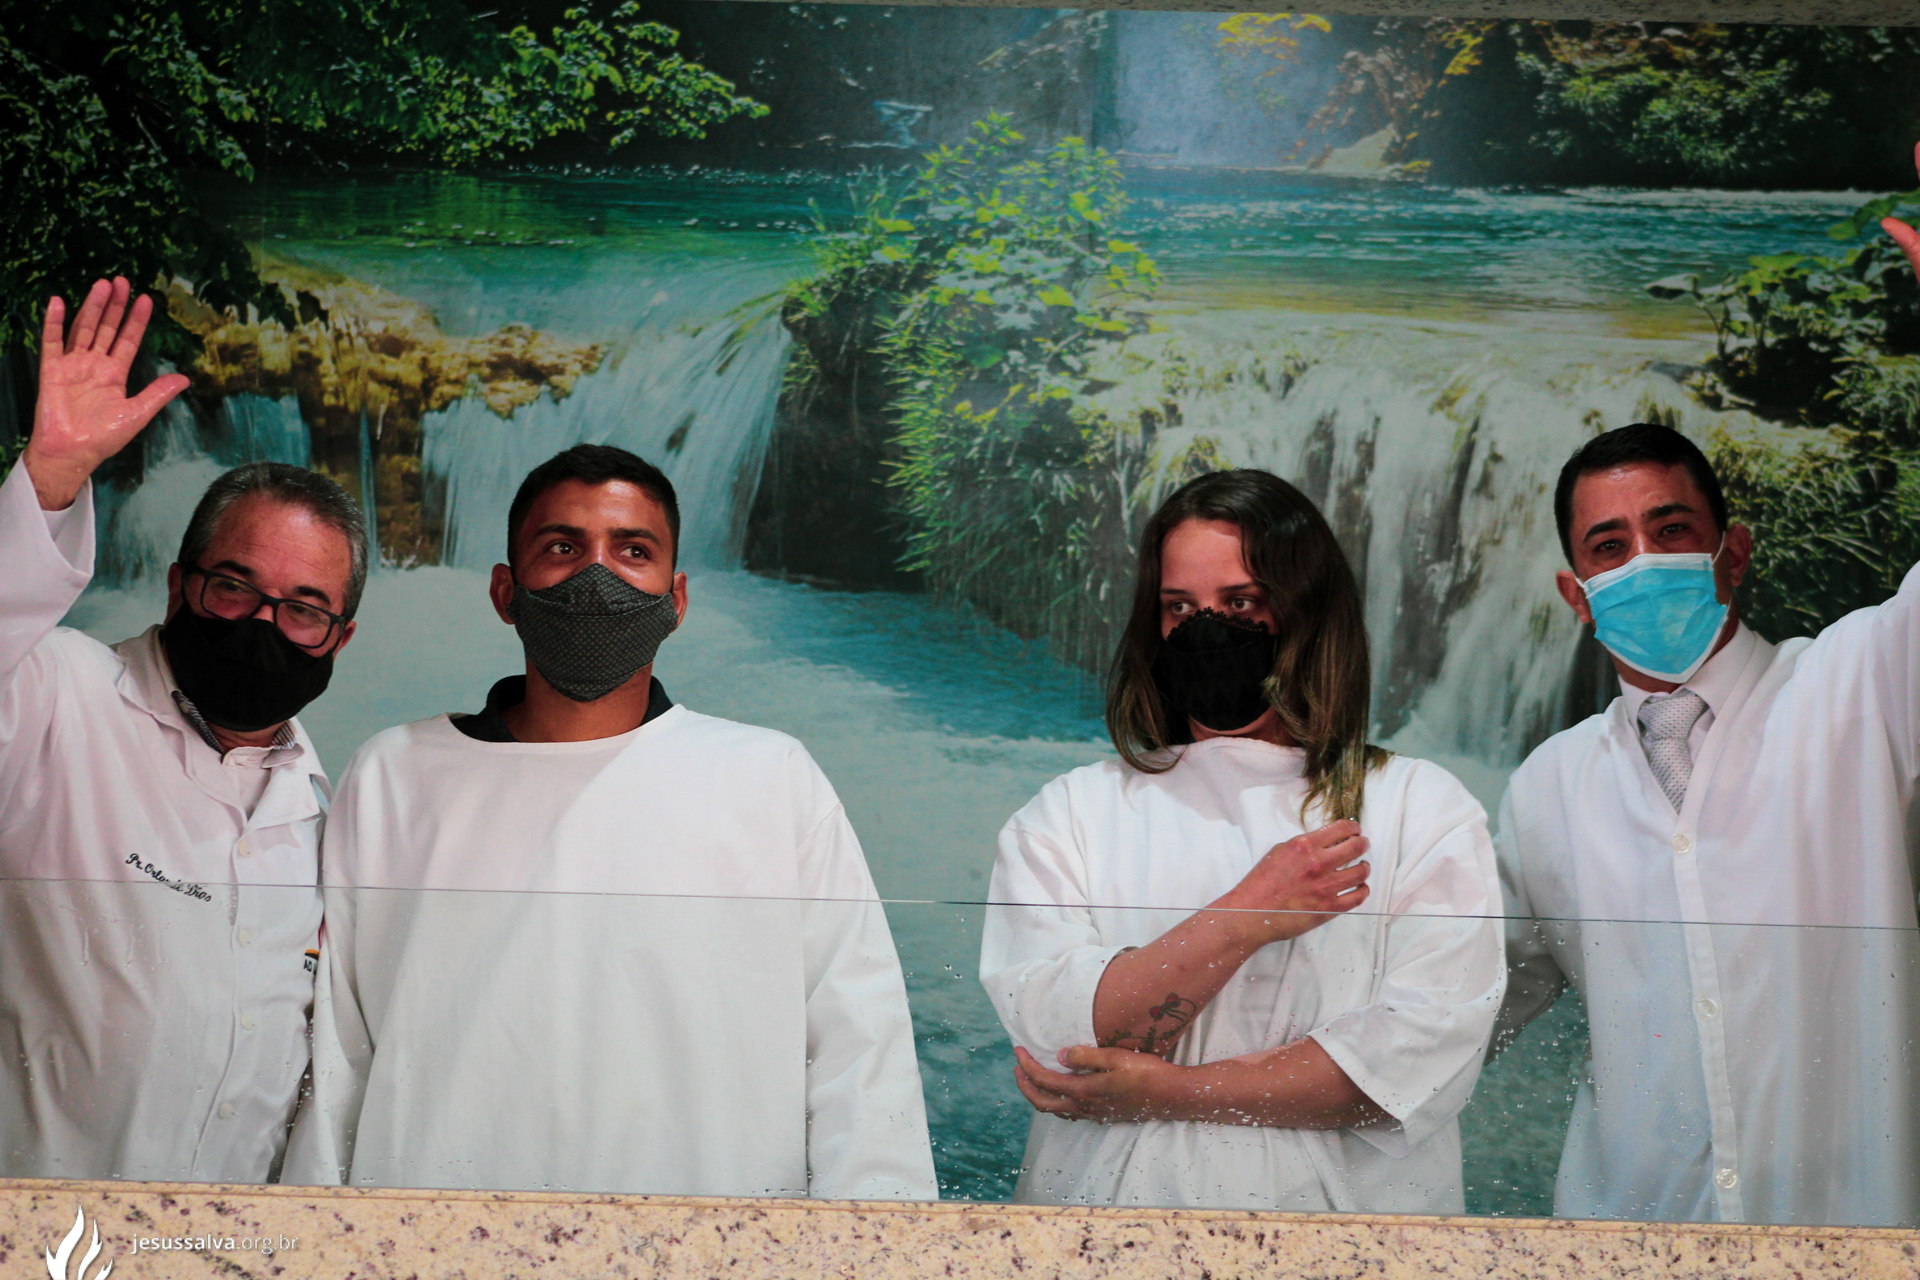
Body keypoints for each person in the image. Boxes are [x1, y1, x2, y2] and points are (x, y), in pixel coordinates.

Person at [284, 443, 937, 1199]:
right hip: (432, 1230)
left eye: (633, 551)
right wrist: (314, 1234)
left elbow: (861, 1049)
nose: (596, 576)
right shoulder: (395, 775)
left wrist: (880, 1236)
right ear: (505, 591)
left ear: (676, 599)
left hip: (708, 1236)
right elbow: (338, 1053)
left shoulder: (770, 778)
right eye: (562, 547)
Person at [979, 469, 1505, 1213]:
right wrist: (1244, 917)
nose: (1208, 629)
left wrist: (1172, 1092)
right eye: (1180, 607)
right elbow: (1061, 1039)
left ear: (1306, 613)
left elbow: (1418, 1057)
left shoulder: (1420, 808)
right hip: (1100, 1229)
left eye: (1241, 603)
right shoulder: (1070, 812)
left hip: (1347, 1239)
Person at [0, 278, 366, 1180]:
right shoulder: (53, 695)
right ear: (179, 585)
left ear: (340, 639)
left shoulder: (328, 814)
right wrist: (52, 479)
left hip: (225, 1241)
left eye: (304, 608)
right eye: (234, 587)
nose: (264, 623)